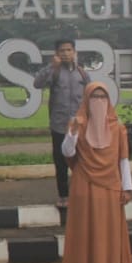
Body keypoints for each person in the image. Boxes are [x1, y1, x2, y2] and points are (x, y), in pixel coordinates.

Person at [60, 82, 132, 263]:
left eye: (103, 97)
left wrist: (127, 188)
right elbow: (67, 153)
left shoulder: (117, 127)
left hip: (110, 185)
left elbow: (123, 159)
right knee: (84, 230)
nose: (99, 102)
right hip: (84, 184)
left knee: (108, 230)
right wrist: (72, 134)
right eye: (94, 97)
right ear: (86, 100)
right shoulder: (78, 123)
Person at [32, 39, 90, 208]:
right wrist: (52, 67)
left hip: (79, 125)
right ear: (56, 54)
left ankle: (82, 194)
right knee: (61, 161)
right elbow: (37, 84)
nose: (66, 53)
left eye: (69, 50)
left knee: (82, 161)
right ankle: (63, 195)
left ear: (75, 52)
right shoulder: (54, 72)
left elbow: (90, 96)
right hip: (59, 124)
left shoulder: (82, 73)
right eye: (62, 51)